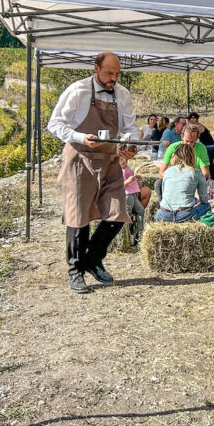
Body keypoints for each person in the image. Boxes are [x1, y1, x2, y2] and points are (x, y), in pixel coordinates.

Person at [48, 52, 138, 294]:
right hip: (80, 159)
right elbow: (54, 123)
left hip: (109, 160)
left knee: (118, 213)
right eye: (109, 73)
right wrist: (80, 137)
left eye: (117, 74)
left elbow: (130, 129)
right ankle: (75, 271)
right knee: (79, 217)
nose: (114, 79)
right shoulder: (78, 90)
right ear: (96, 69)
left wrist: (130, 146)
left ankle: (93, 258)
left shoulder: (122, 94)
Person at [155, 143, 212, 222]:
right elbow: (204, 199)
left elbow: (165, 193)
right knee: (206, 206)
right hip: (184, 215)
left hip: (163, 215)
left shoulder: (167, 171)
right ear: (192, 156)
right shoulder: (196, 172)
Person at [119, 145, 146, 245]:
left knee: (140, 210)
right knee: (128, 214)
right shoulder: (121, 170)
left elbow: (130, 179)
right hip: (127, 195)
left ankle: (140, 230)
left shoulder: (126, 168)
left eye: (124, 159)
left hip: (132, 194)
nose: (123, 161)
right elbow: (120, 185)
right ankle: (128, 234)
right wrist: (129, 180)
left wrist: (135, 178)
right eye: (120, 159)